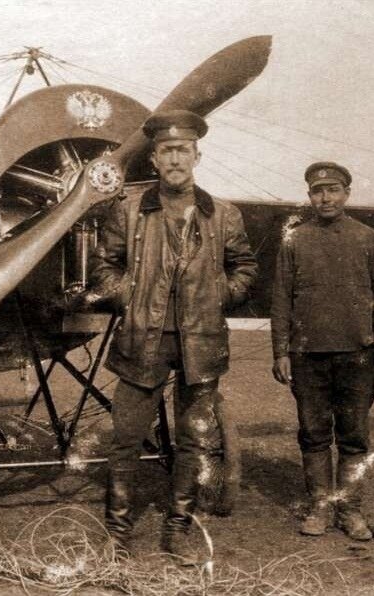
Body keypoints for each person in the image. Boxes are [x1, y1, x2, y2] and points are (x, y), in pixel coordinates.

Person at [90, 109, 258, 563]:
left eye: (183, 150)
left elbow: (245, 267)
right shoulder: (127, 210)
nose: (175, 159)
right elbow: (104, 266)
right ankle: (117, 534)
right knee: (126, 439)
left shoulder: (224, 214)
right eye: (166, 151)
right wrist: (128, 295)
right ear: (154, 159)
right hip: (142, 341)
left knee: (193, 439)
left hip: (200, 343)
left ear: (197, 156)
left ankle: (178, 528)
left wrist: (221, 293)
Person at [270, 161, 374, 541]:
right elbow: (281, 299)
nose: (325, 198)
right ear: (310, 196)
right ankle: (320, 507)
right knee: (313, 433)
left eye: (333, 190)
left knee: (354, 435)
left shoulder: (366, 237)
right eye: (318, 191)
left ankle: (350, 509)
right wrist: (281, 351)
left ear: (347, 194)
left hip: (358, 354)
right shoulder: (295, 239)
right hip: (308, 356)